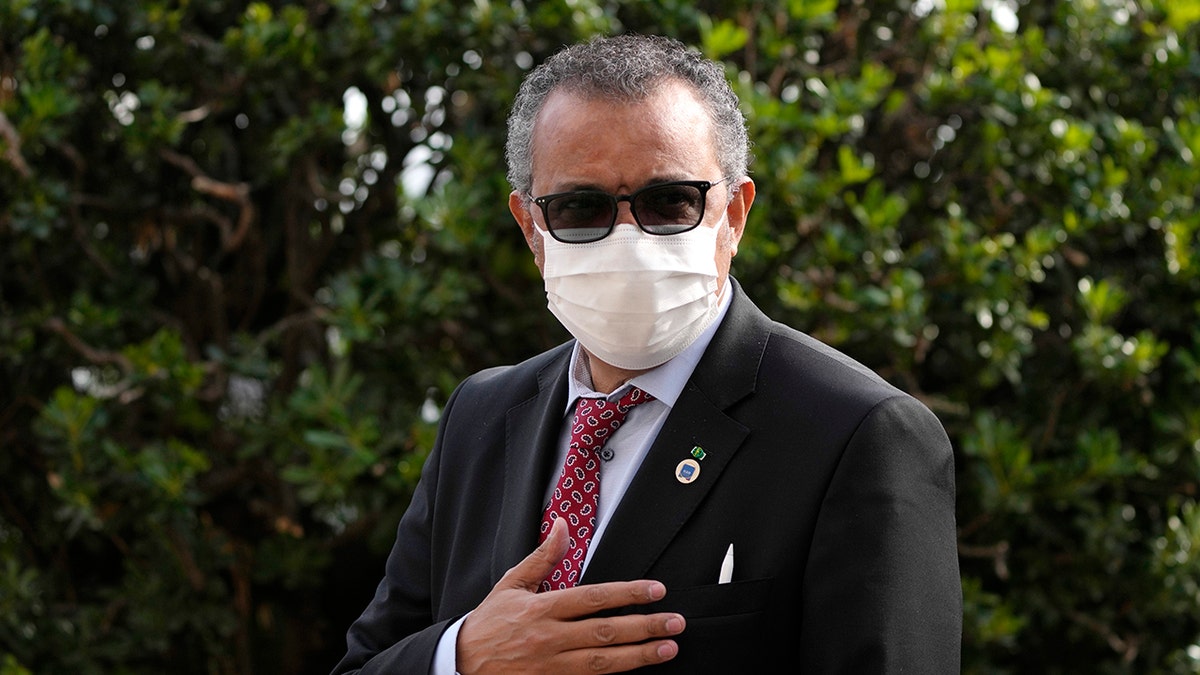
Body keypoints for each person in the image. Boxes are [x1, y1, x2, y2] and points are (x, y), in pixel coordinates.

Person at [332, 33, 961, 674]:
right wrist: (462, 656)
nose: (629, 239)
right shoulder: (482, 414)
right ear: (530, 228)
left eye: (670, 202)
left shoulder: (856, 435)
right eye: (582, 207)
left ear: (734, 215)